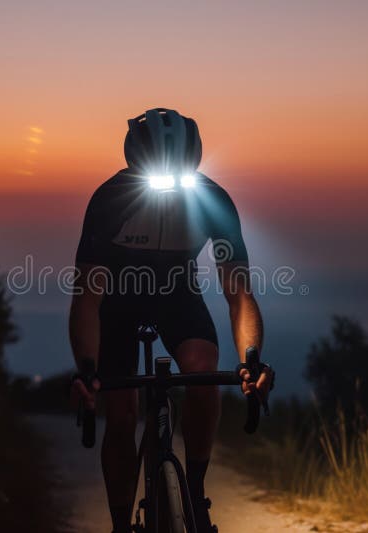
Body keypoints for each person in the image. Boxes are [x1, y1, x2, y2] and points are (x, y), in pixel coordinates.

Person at [69, 108, 272, 533]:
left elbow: (238, 293)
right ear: (134, 165)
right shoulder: (110, 200)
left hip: (177, 295)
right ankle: (121, 524)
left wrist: (251, 359)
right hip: (117, 303)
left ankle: (194, 492)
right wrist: (87, 370)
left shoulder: (212, 200)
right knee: (122, 414)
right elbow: (88, 298)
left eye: (178, 171)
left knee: (202, 371)